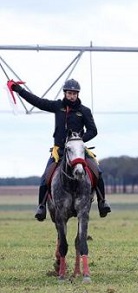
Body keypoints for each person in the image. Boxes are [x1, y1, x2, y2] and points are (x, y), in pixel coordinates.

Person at [9, 78, 112, 221]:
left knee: (97, 172)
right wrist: (19, 90)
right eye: (69, 93)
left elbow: (93, 131)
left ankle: (102, 202)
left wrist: (79, 141)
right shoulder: (57, 106)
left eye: (74, 93)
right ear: (65, 93)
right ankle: (41, 206)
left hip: (78, 151)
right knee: (46, 177)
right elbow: (38, 102)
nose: (72, 96)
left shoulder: (84, 111)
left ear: (78, 94)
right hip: (59, 151)